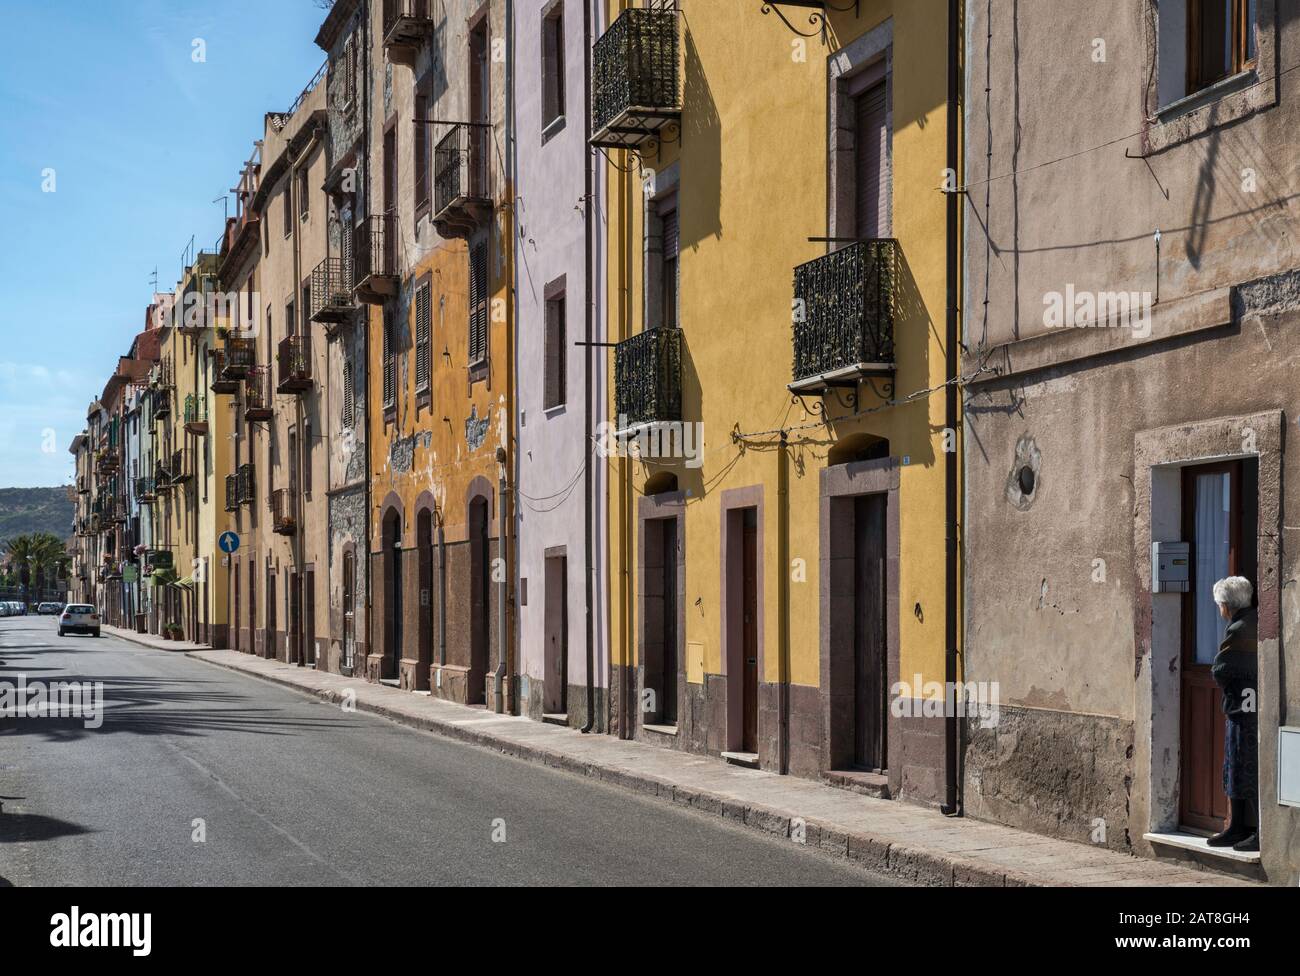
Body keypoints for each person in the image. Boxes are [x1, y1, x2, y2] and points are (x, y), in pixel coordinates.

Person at [1207, 576, 1259, 852]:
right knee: (1239, 770)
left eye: (1219, 605)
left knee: (1246, 770)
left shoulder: (1239, 628)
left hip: (1243, 711)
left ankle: (1256, 831)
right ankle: (1237, 826)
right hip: (1249, 709)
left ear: (1226, 605)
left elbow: (1222, 668)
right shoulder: (1254, 620)